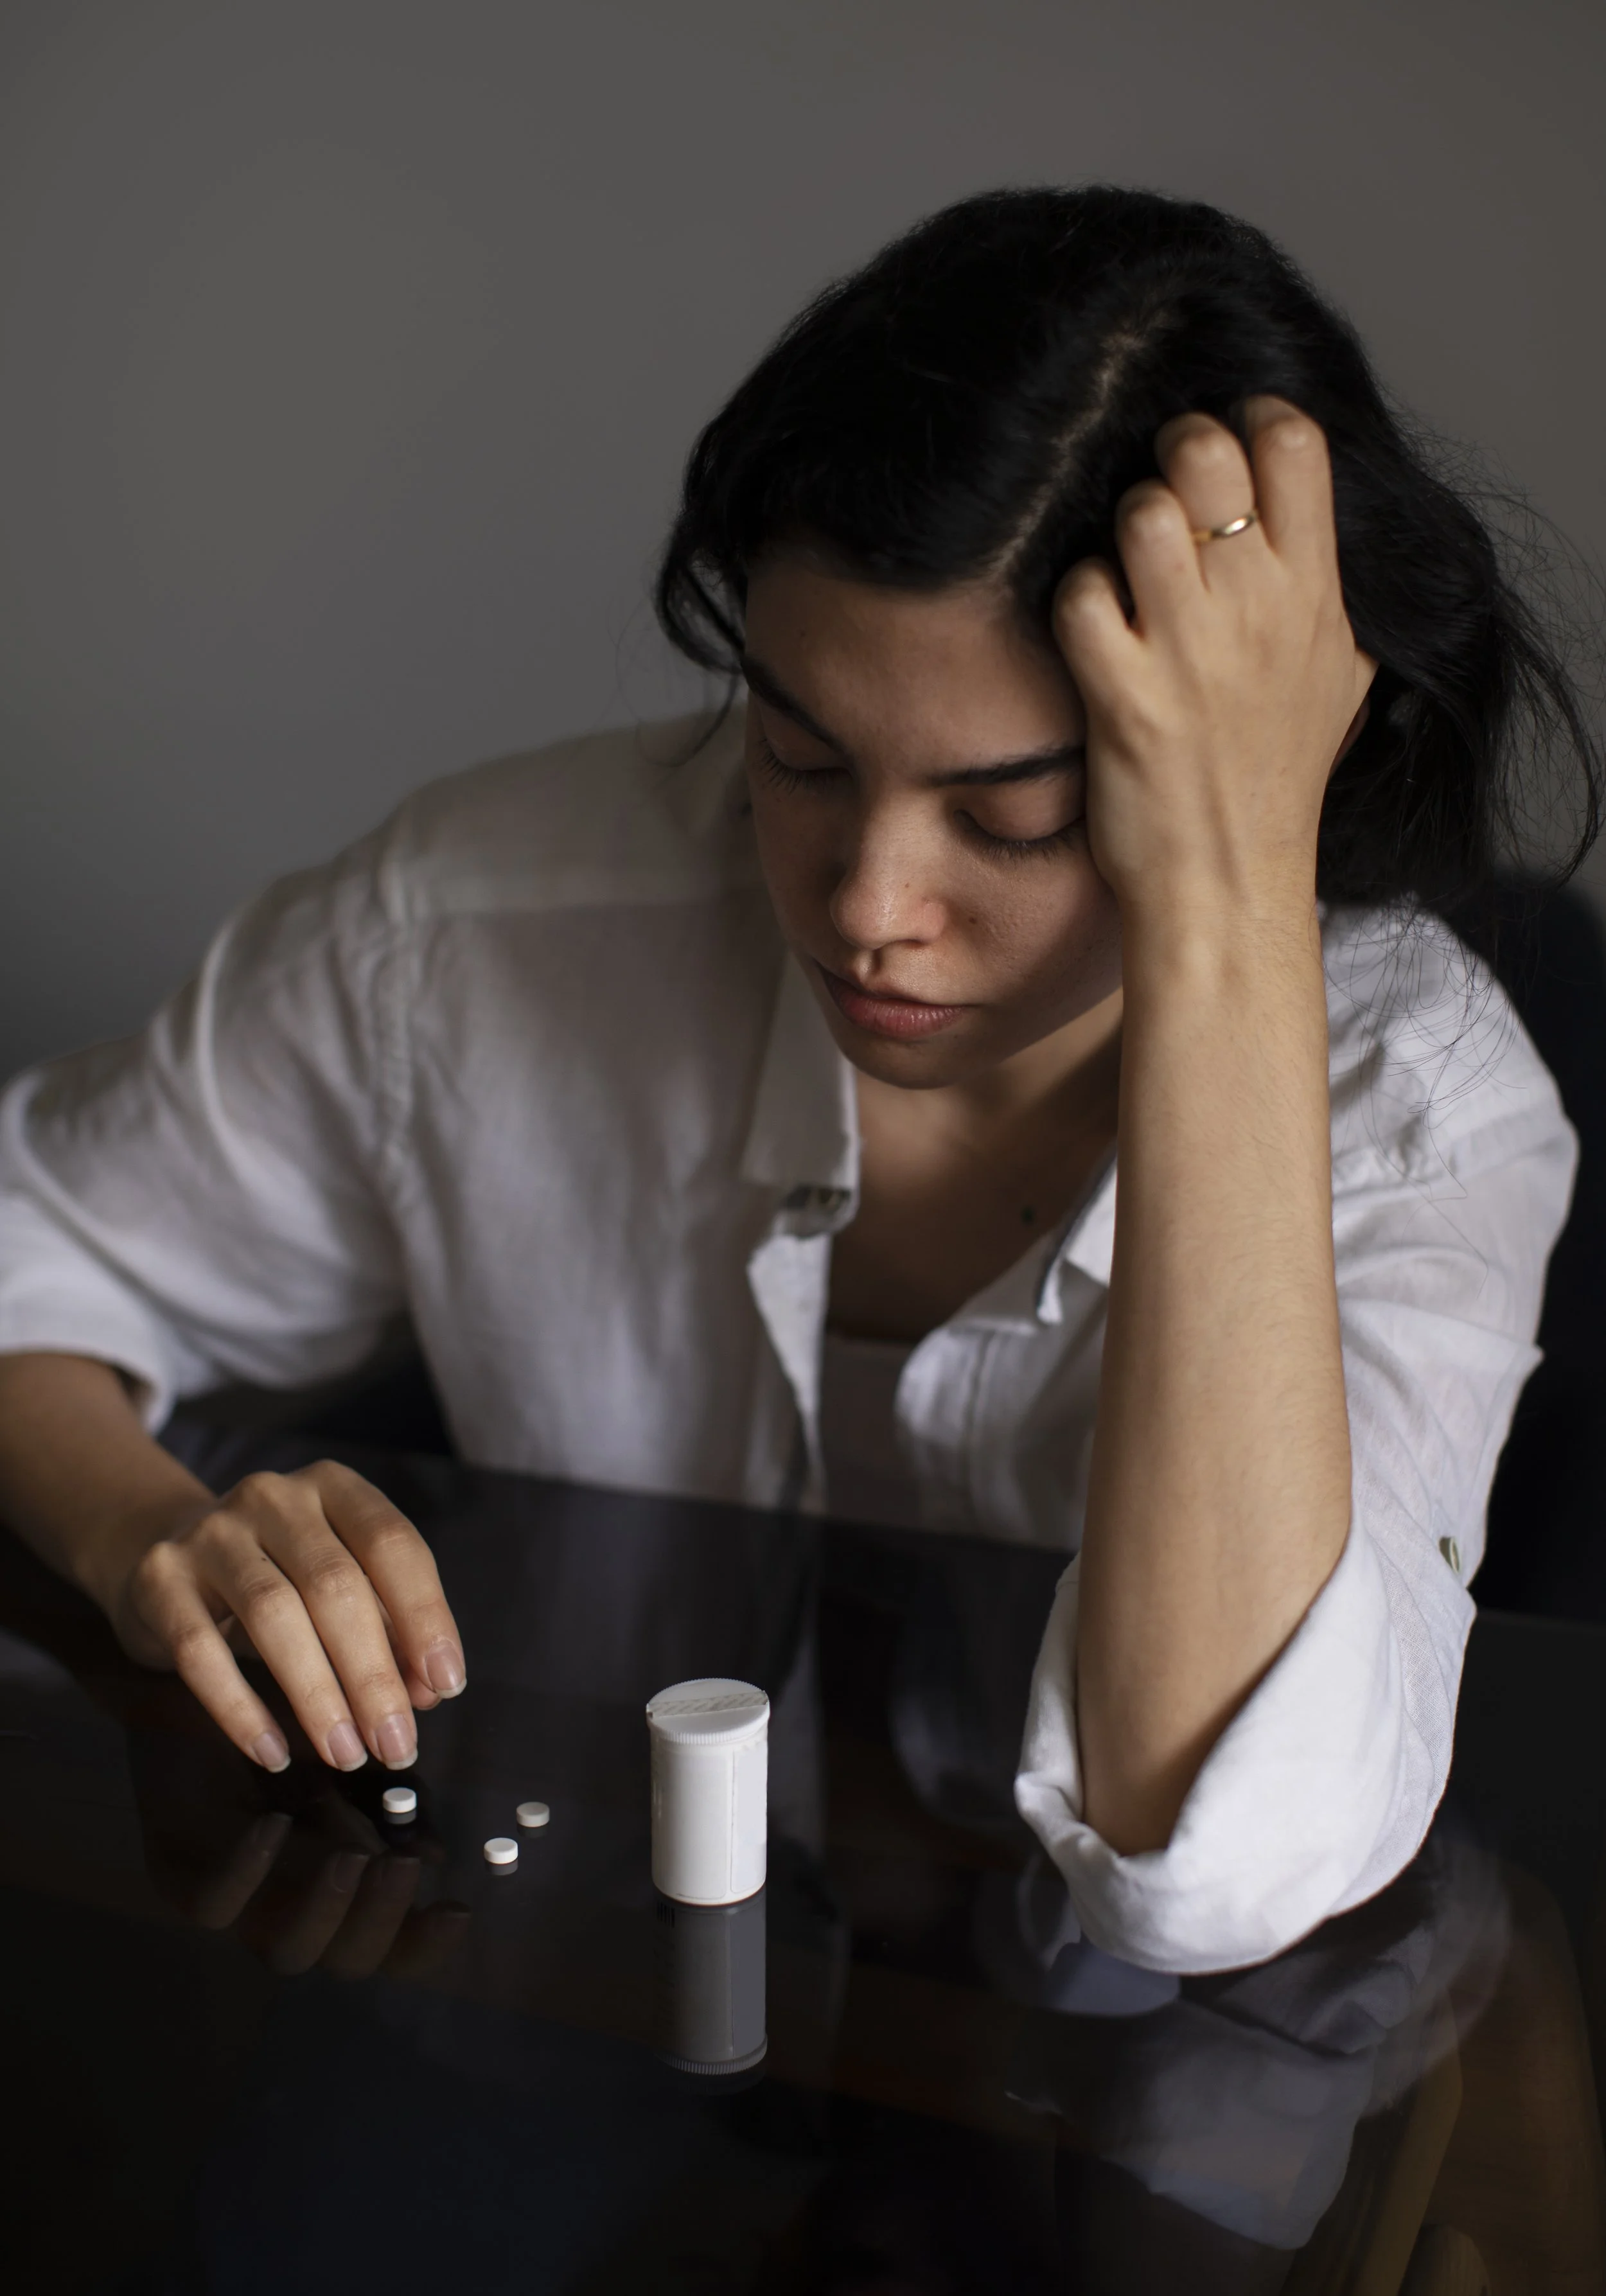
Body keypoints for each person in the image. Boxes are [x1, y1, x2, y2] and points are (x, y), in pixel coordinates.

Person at [0, 186, 1594, 1971]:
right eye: (798, 754)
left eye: (1017, 816)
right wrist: (154, 1525)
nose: (866, 908)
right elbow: (21, 1253)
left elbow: (1211, 1861)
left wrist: (1226, 897)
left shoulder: (1424, 1099)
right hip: (563, 1971)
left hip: (1110, 2100)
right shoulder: (470, 929)